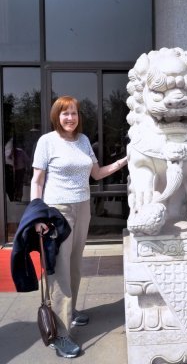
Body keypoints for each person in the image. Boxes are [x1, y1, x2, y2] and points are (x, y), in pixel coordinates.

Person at [30, 95, 127, 358]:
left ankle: (69, 312)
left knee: (74, 264)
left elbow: (96, 174)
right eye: (65, 113)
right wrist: (37, 215)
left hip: (82, 207)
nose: (70, 118)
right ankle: (61, 335)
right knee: (59, 270)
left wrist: (124, 161)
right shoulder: (47, 142)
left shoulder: (83, 141)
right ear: (56, 116)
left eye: (73, 113)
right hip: (57, 211)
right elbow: (37, 181)